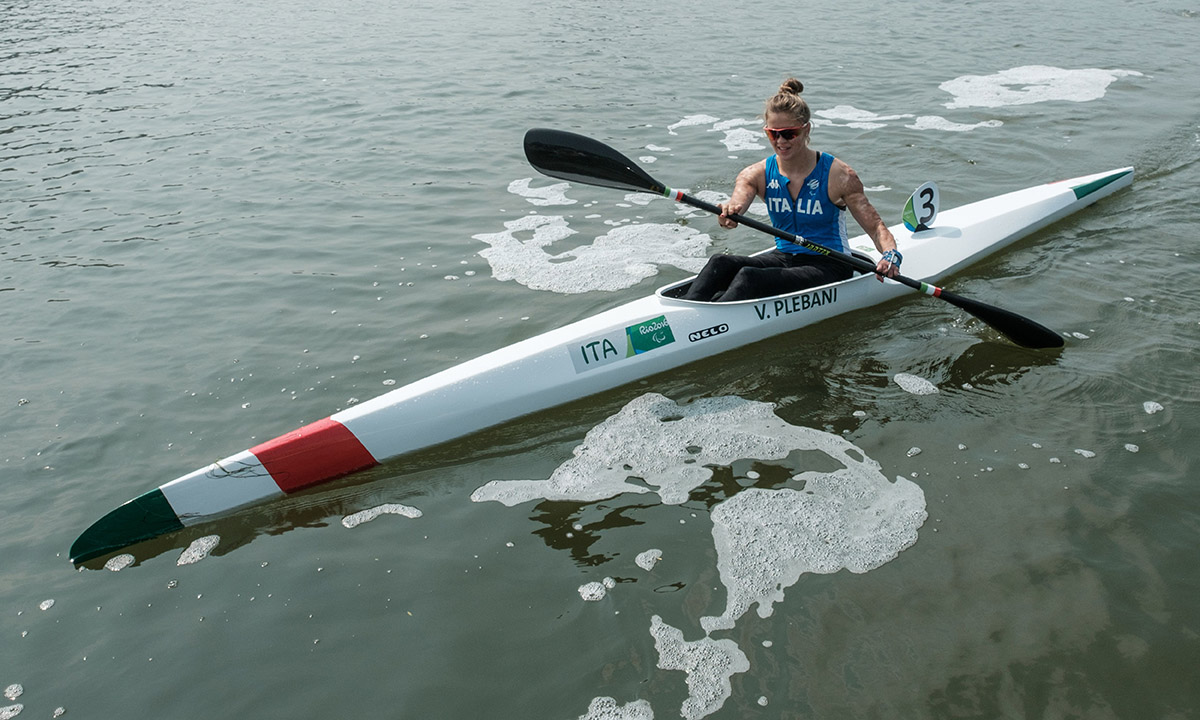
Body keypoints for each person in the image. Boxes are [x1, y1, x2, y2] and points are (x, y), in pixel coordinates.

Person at [683, 78, 902, 302]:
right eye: (773, 133)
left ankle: (711, 317)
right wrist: (728, 214)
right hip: (784, 257)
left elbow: (876, 228)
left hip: (831, 263)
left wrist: (890, 254)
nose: (780, 141)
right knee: (720, 263)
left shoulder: (839, 176)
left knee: (749, 278)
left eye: (789, 133)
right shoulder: (755, 174)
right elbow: (737, 203)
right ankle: (688, 312)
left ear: (806, 130)